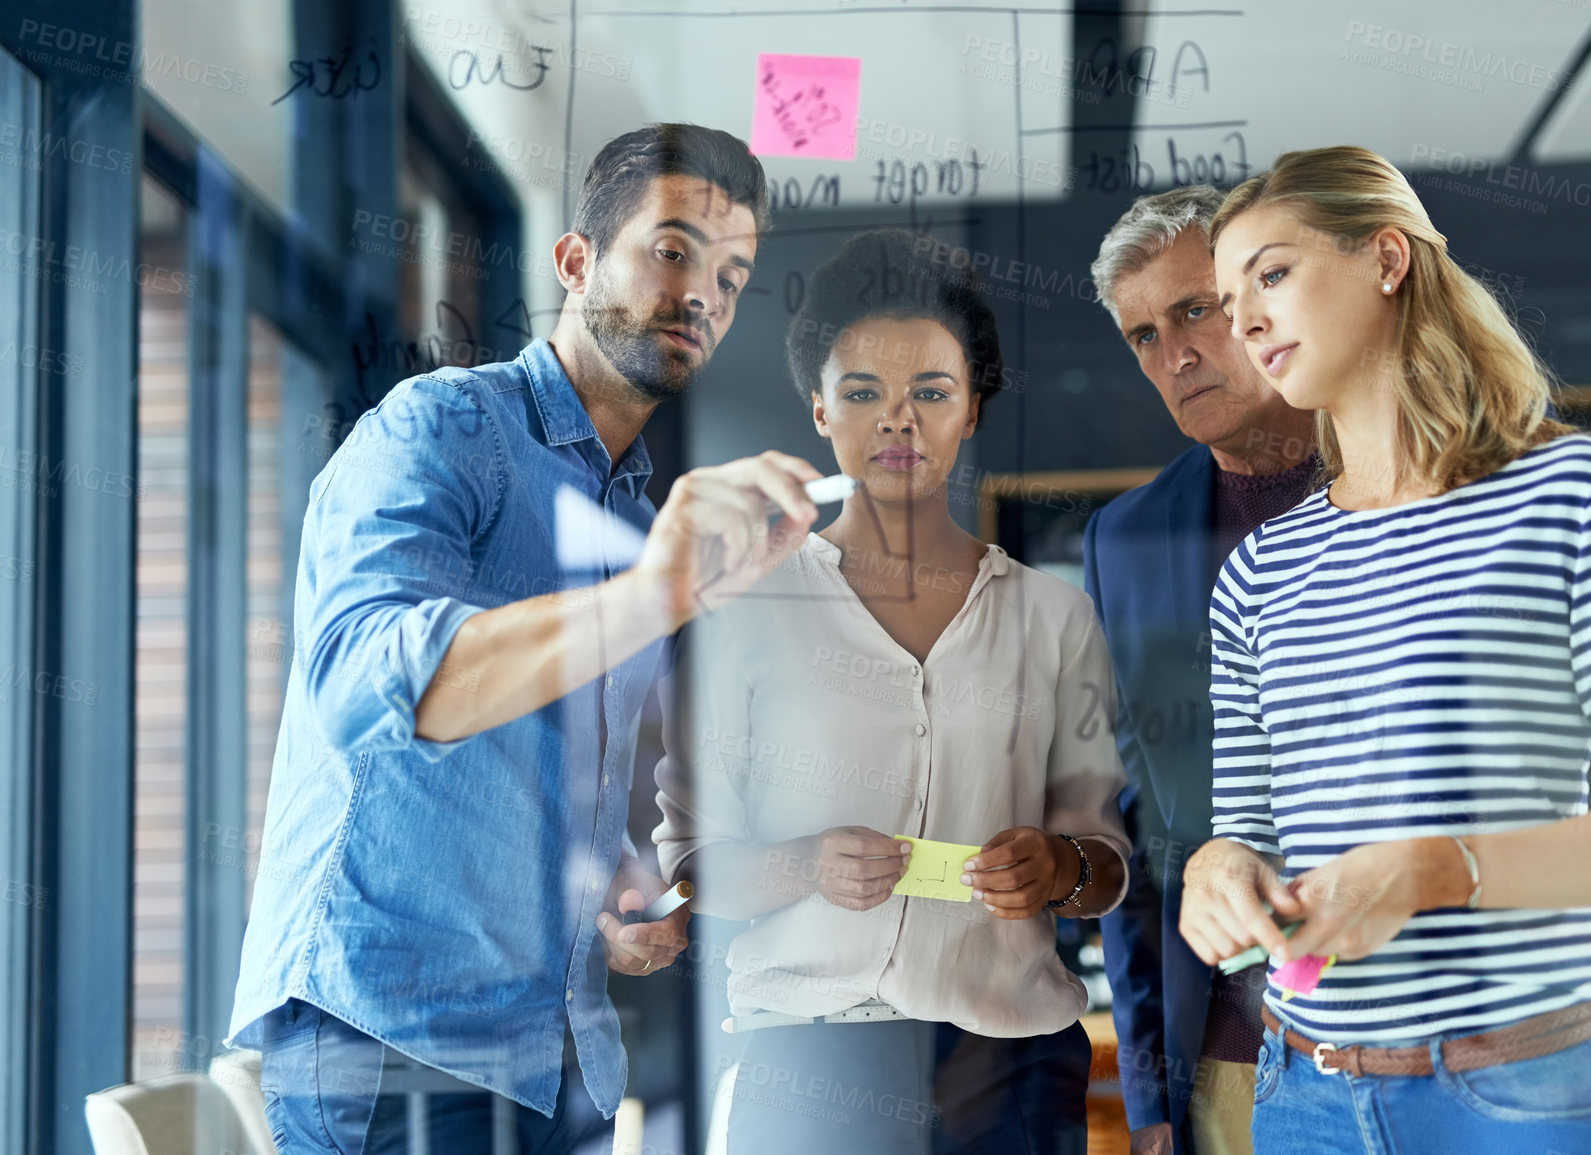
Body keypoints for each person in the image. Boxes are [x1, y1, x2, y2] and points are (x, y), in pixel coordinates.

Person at [227, 124, 827, 1153]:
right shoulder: (436, 429)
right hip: (395, 1046)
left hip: (561, 1060)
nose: (703, 297)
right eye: (673, 249)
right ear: (576, 261)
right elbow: (366, 684)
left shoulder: (632, 520)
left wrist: (622, 880)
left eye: (731, 277)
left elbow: (539, 781)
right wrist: (656, 592)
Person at [1184, 144, 1591, 1154]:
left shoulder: (1578, 496)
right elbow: (1252, 826)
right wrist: (1216, 869)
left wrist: (1438, 869)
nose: (1243, 321)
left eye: (1272, 273)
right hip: (1306, 1095)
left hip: (1533, 1094)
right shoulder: (1262, 567)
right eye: (1225, 298)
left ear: (1387, 258)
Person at [652, 228, 1130, 1154]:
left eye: (932, 393)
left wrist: (1058, 866)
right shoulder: (741, 613)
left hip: (1010, 1065)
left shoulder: (1053, 619)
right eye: (864, 392)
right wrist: (801, 864)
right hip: (807, 1063)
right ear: (821, 410)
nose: (898, 421)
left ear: (974, 409)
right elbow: (688, 864)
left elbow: (1106, 862)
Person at [1082, 185, 1320, 1155]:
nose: (1173, 354)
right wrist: (1148, 1099)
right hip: (1224, 1064)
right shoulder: (1124, 542)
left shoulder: (1421, 482)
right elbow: (1131, 827)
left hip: (1443, 1032)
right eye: (1141, 334)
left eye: (1194, 310)